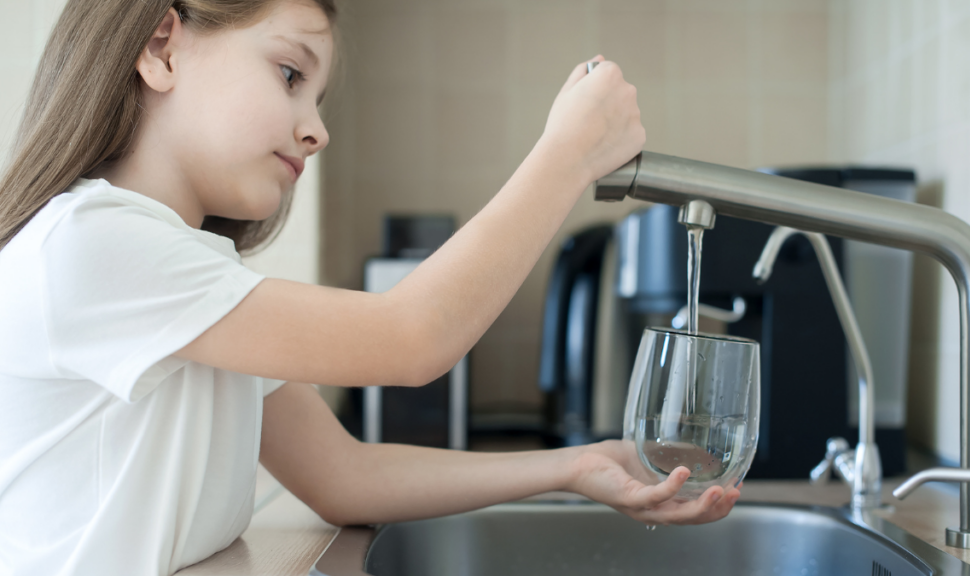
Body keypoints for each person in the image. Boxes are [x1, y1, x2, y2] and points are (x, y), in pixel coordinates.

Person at [0, 0, 742, 574]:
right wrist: (566, 157)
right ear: (161, 47)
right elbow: (410, 339)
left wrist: (573, 468)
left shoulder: (189, 280)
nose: (317, 129)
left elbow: (343, 475)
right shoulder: (91, 244)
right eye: (290, 75)